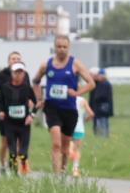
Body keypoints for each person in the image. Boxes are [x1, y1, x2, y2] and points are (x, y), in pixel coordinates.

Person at [32, 35, 96, 175]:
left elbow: (91, 83)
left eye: (64, 47)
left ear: (68, 48)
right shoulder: (46, 65)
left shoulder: (75, 64)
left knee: (65, 148)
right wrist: (39, 98)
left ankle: (62, 172)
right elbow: (35, 81)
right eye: (59, 46)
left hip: (69, 110)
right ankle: (56, 178)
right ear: (55, 47)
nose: (61, 49)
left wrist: (77, 93)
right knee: (56, 144)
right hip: (52, 108)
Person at [0, 51, 28, 174]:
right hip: (4, 113)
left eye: (18, 59)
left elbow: (28, 92)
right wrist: (4, 96)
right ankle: (1, 163)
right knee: (5, 141)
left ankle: (15, 168)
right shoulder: (2, 75)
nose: (15, 60)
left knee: (17, 142)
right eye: (13, 58)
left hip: (20, 113)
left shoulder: (25, 75)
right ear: (8, 61)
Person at [0, 62, 36, 176]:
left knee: (23, 152)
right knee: (13, 152)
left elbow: (36, 103)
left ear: (24, 74)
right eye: (16, 72)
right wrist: (1, 111)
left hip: (24, 124)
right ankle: (14, 174)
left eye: (20, 72)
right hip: (10, 124)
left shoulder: (27, 88)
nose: (18, 74)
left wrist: (31, 115)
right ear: (12, 73)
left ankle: (24, 169)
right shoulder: (5, 87)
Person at [69, 95, 95, 177]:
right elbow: (91, 114)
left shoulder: (68, 98)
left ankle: (70, 152)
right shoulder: (82, 100)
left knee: (67, 145)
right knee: (78, 149)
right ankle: (75, 169)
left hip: (68, 126)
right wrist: (85, 120)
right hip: (79, 127)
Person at [90, 70, 114, 137]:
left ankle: (103, 136)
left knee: (103, 122)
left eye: (99, 75)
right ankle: (100, 135)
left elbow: (102, 96)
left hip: (103, 106)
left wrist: (96, 99)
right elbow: (92, 82)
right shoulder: (99, 83)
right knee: (99, 122)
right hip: (99, 107)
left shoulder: (105, 84)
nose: (98, 77)